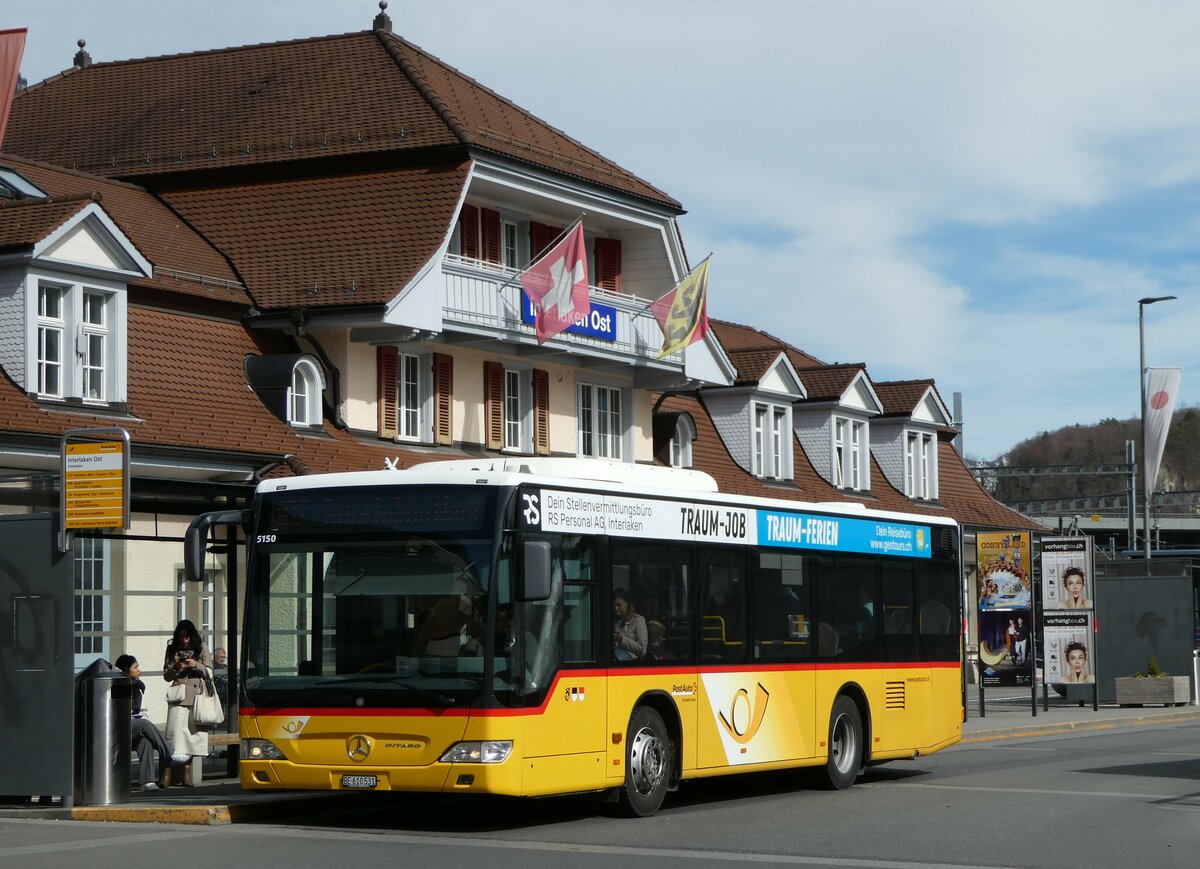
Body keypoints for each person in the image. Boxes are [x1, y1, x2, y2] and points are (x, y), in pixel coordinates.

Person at [162, 619, 213, 786]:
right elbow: (166, 676)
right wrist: (175, 666)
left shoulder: (201, 647)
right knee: (172, 735)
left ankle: (186, 772)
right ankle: (166, 772)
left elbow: (209, 672)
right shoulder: (171, 649)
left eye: (187, 637)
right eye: (181, 637)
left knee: (192, 735)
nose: (184, 641)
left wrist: (195, 664)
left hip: (196, 696)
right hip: (177, 695)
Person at [115, 654, 171, 791]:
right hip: (117, 729)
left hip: (130, 728)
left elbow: (140, 710)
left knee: (145, 742)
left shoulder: (137, 687)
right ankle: (170, 754)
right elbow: (117, 713)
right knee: (145, 724)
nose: (139, 670)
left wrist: (138, 716)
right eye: (135, 667)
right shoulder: (120, 685)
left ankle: (147, 781)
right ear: (126, 670)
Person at [612, 589, 647, 661]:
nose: (615, 609)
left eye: (619, 605)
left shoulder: (638, 620)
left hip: (631, 664)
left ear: (627, 603)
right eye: (613, 606)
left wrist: (622, 639)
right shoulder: (610, 620)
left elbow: (642, 650)